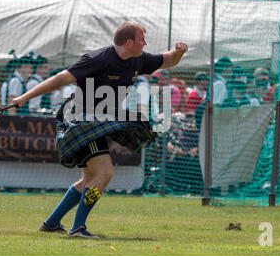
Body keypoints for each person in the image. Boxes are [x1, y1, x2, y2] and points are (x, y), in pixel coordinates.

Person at [11, 22, 188, 238]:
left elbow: (167, 60)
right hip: (81, 122)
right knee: (104, 173)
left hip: (98, 122)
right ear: (129, 42)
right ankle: (77, 228)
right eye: (142, 39)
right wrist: (24, 97)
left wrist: (179, 52)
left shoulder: (138, 59)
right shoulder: (97, 59)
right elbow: (60, 79)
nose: (146, 43)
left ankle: (52, 223)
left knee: (89, 180)